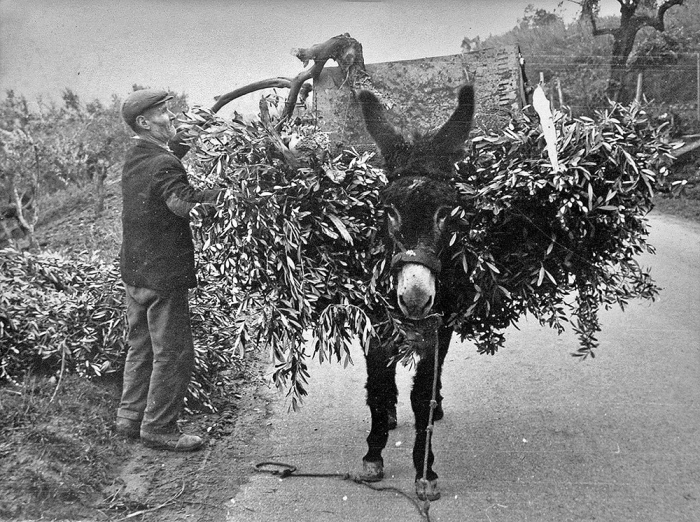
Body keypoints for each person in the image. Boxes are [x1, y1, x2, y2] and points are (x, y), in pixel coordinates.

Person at [115, 89, 222, 452]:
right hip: (163, 273)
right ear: (144, 122)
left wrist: (206, 118)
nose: (171, 116)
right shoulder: (162, 164)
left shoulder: (137, 155)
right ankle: (159, 427)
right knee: (174, 351)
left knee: (141, 347)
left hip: (136, 270)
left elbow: (169, 157)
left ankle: (129, 418)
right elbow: (180, 202)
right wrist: (228, 194)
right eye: (164, 112)